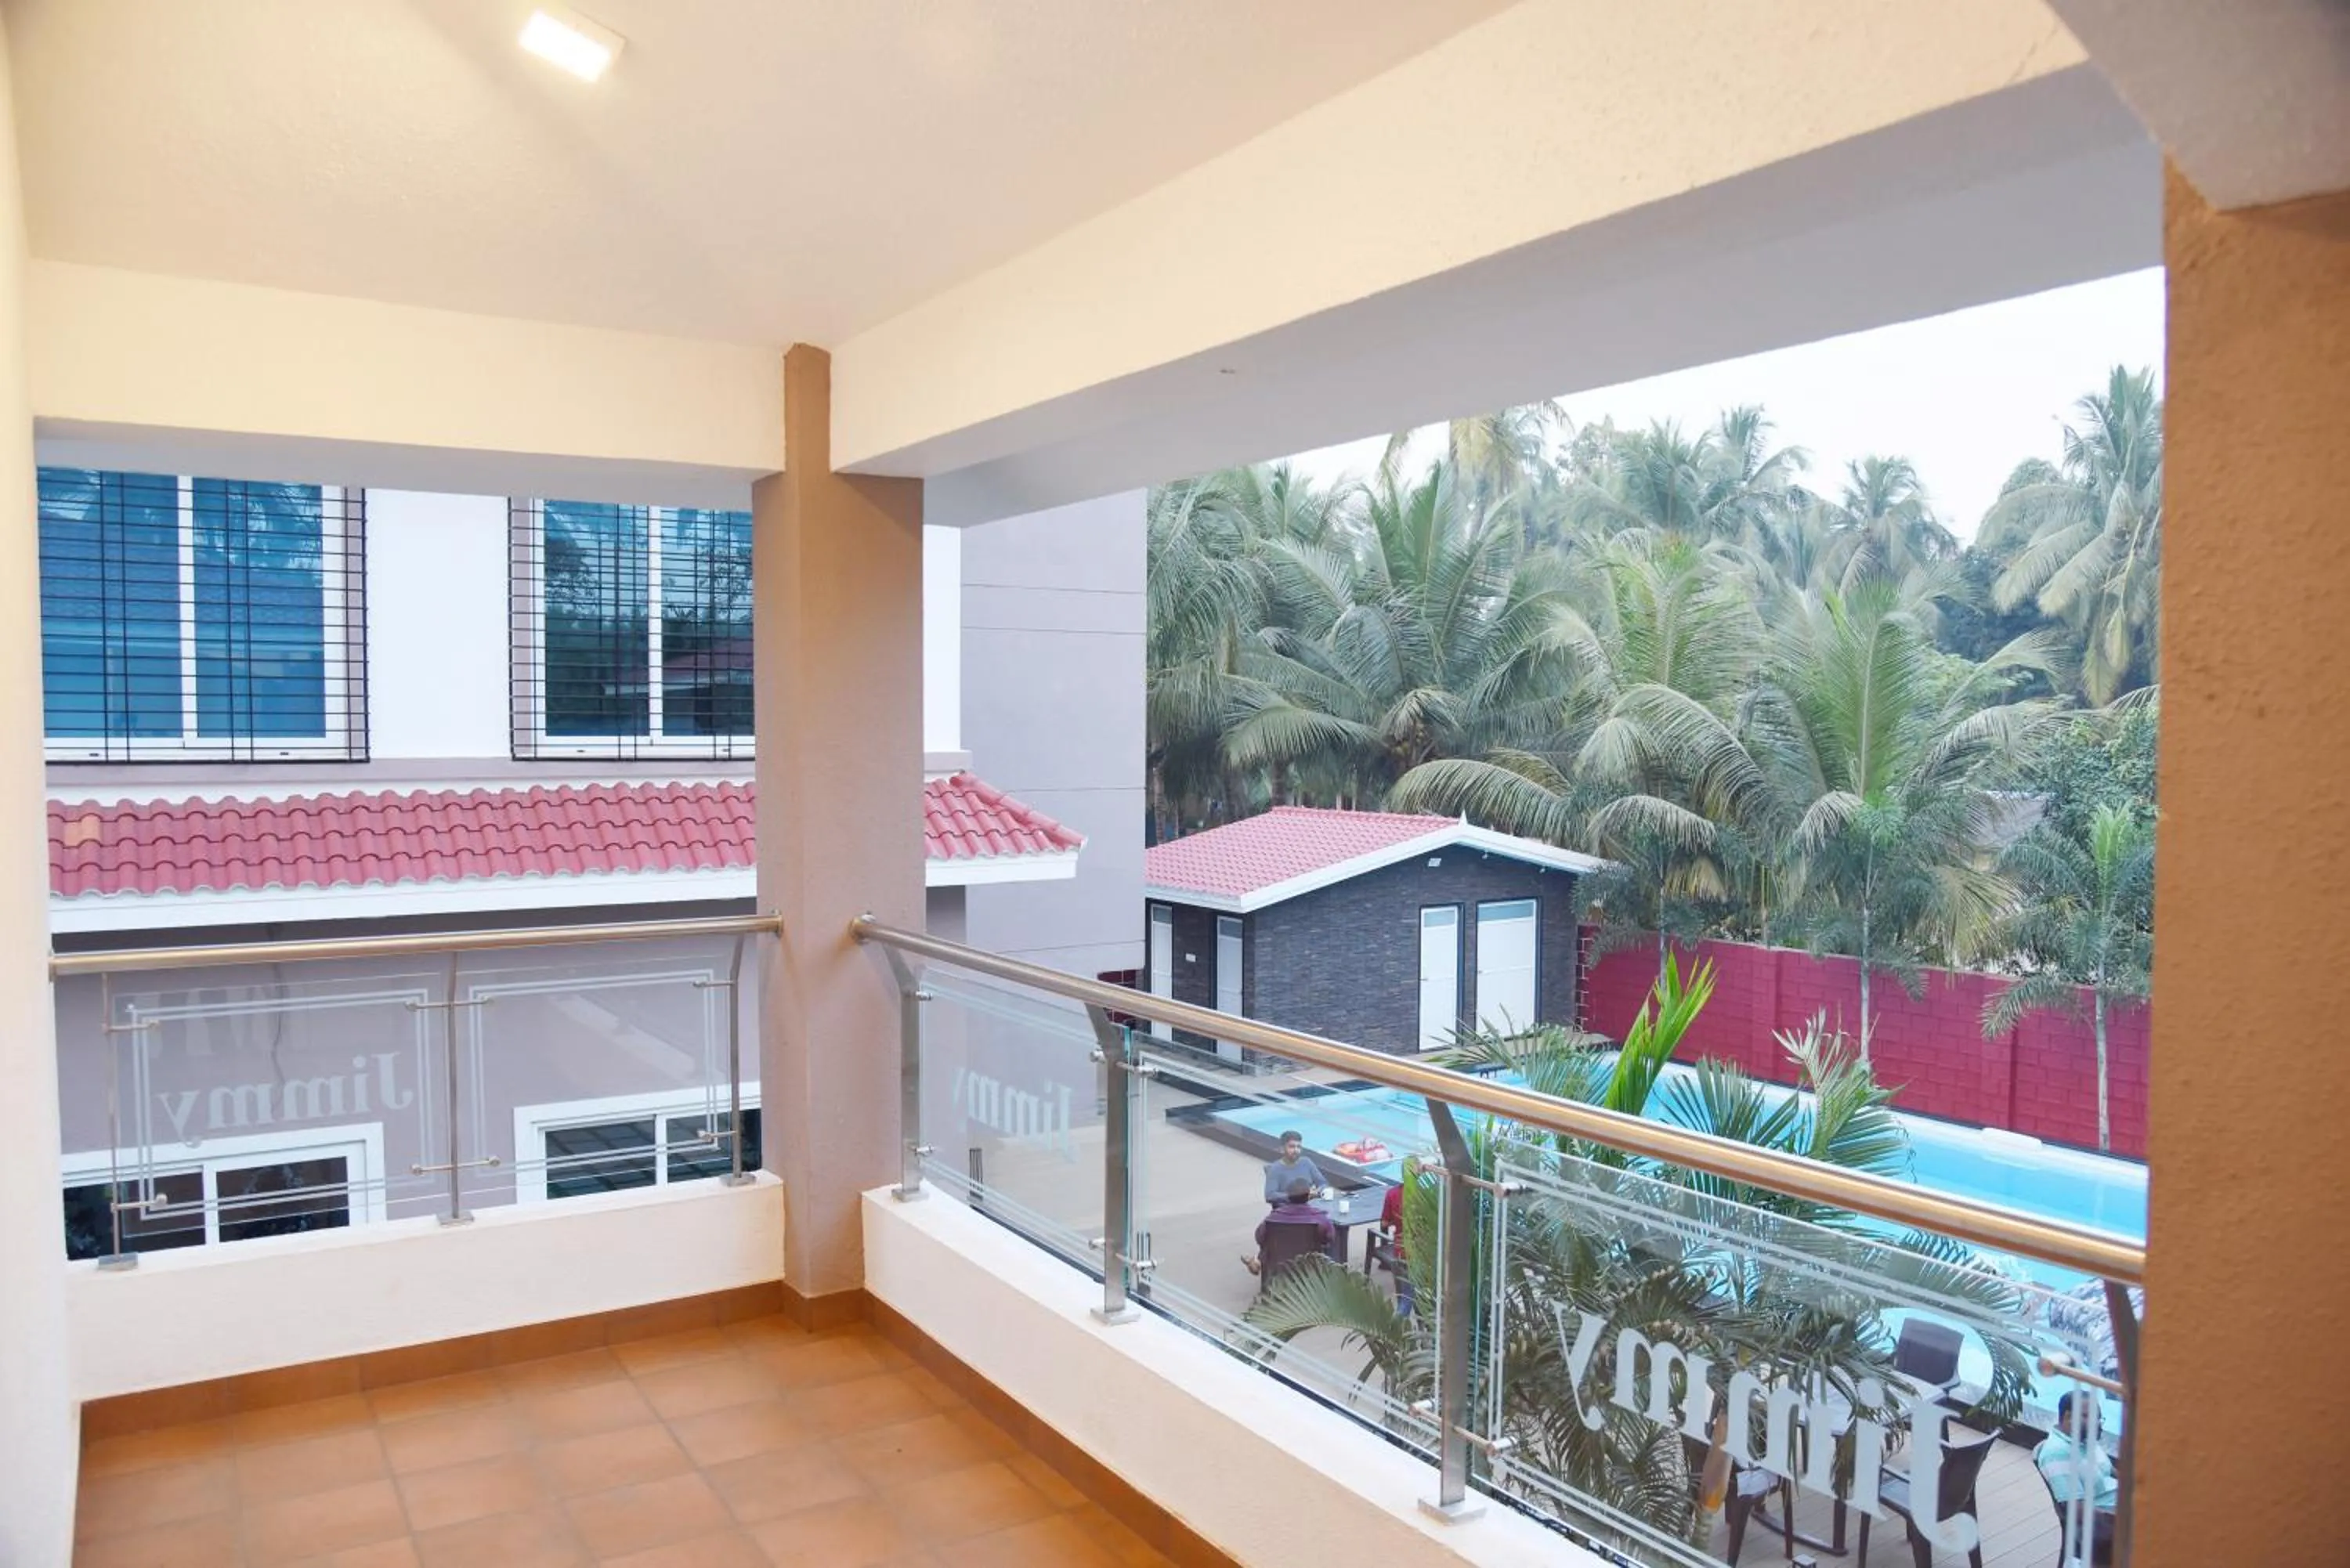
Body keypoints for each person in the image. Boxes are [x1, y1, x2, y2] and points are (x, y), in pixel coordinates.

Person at [2034, 1392, 2118, 1562]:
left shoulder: (2084, 1440)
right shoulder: (2057, 1454)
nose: (2097, 1424)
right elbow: (2076, 1510)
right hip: (2107, 1521)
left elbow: (2111, 1472)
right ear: (2068, 1416)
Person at [1246, 1177, 1336, 1277]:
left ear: (1288, 1196)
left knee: (1267, 1246)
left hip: (1279, 1263)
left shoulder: (1273, 1218)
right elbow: (1330, 1238)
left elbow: (1259, 1237)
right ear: (1309, 1197)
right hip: (1308, 1264)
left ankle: (1258, 1261)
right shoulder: (1319, 1218)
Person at [1260, 1131, 1326, 1205]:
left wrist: (1318, 1191)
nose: (1296, 1150)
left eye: (1299, 1147)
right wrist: (1296, 1196)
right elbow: (1270, 1196)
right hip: (1288, 1209)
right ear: (1282, 1149)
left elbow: (1322, 1183)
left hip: (1309, 1206)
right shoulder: (1275, 1169)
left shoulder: (1307, 1162)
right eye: (1292, 1147)